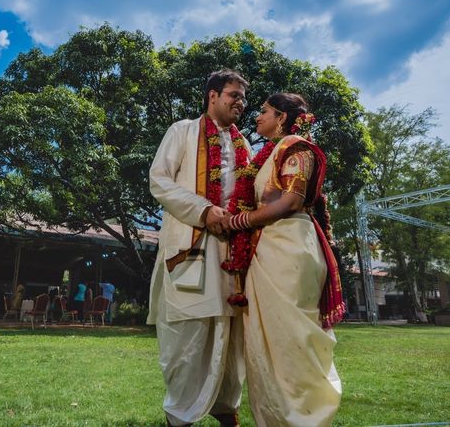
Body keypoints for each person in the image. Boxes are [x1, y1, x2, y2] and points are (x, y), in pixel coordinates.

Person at [222, 93, 345, 426]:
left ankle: (305, 420)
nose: (257, 117)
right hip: (268, 248)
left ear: (282, 117)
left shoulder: (297, 147)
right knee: (267, 342)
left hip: (291, 246)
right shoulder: (266, 155)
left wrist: (239, 222)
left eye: (263, 112)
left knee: (292, 339)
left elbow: (292, 201)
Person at [148, 69, 250, 427]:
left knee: (231, 336)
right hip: (189, 248)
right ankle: (180, 417)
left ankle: (227, 411)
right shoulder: (182, 131)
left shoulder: (245, 146)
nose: (241, 102)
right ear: (212, 95)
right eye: (234, 95)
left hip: (231, 255)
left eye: (243, 97)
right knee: (187, 337)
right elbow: (158, 181)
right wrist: (204, 211)